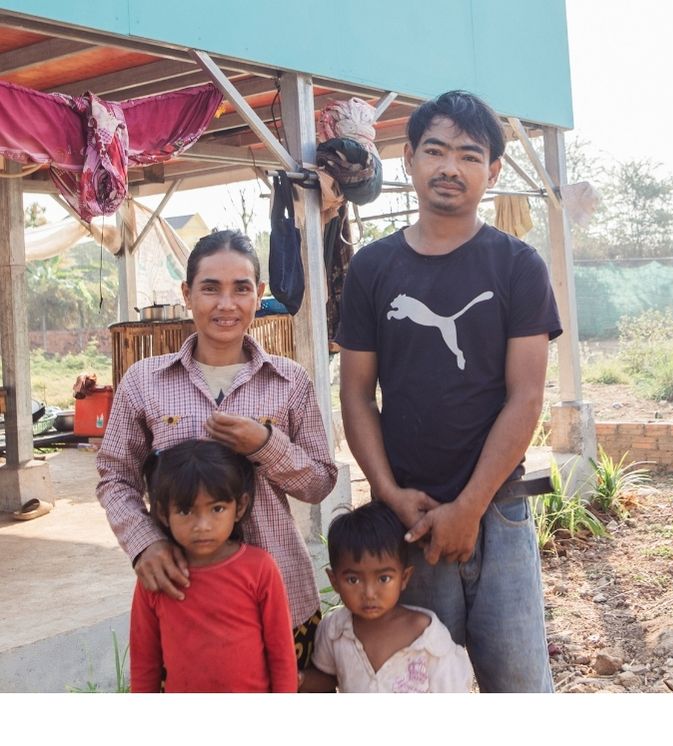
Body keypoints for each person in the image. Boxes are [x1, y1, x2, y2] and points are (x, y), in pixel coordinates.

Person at [337, 90, 561, 692]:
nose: (449, 167)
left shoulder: (518, 265)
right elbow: (357, 394)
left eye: (469, 155)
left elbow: (527, 397)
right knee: (424, 692)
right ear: (407, 160)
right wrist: (388, 492)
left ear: (491, 171)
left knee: (518, 686)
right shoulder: (373, 268)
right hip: (410, 521)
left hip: (502, 512)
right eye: (434, 150)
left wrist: (470, 507)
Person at [97, 229, 338, 672]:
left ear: (258, 295)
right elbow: (115, 477)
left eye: (241, 289)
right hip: (184, 597)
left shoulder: (289, 381)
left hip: (284, 595)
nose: (226, 304)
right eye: (210, 288)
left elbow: (320, 482)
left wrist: (266, 446)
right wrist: (144, 543)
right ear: (187, 294)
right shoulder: (145, 382)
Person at [130, 439, 298, 692]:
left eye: (217, 508)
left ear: (239, 507)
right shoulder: (159, 575)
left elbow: (282, 653)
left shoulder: (259, 568)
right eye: (186, 512)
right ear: (164, 514)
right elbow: (144, 661)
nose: (203, 526)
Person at [301, 501, 473, 692]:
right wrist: (297, 678)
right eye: (353, 580)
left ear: (404, 578)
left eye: (383, 578)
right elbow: (327, 680)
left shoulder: (428, 640)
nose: (369, 593)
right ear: (334, 581)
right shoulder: (334, 631)